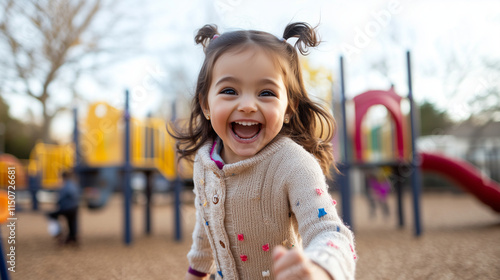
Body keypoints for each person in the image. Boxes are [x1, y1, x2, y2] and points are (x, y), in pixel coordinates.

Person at [170, 22, 357, 280]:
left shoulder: (294, 164)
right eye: (229, 91)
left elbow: (328, 230)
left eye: (266, 92)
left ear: (289, 108)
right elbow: (206, 225)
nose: (247, 105)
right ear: (206, 104)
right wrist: (196, 273)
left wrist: (320, 268)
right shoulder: (205, 161)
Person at [48, 171, 80, 246]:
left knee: (51, 215)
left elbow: (60, 198)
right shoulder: (74, 184)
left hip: (66, 208)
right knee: (72, 221)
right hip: (74, 207)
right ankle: (73, 236)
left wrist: (58, 203)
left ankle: (57, 232)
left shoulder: (65, 185)